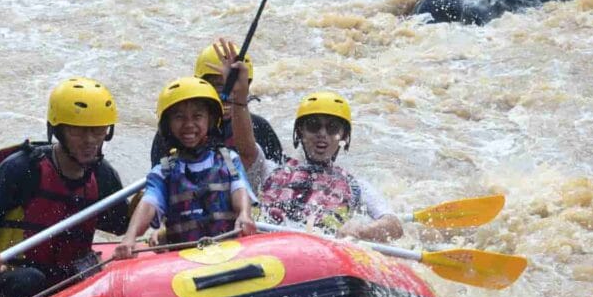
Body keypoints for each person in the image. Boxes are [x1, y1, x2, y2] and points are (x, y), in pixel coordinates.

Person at [0, 78, 130, 297]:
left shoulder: (103, 175)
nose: (90, 140)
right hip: (9, 276)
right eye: (78, 131)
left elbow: (123, 227)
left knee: (105, 280)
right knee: (31, 279)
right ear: (59, 131)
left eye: (98, 130)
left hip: (63, 275)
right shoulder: (22, 168)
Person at [214, 41, 403, 242]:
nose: (322, 134)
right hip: (265, 246)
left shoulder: (357, 186)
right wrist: (240, 97)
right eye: (313, 126)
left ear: (344, 137)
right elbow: (246, 149)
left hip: (320, 252)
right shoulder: (268, 170)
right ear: (300, 132)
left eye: (332, 128)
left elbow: (393, 225)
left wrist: (362, 231)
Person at [114, 77, 256, 260]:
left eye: (197, 116)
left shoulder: (228, 159)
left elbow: (239, 188)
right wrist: (130, 236)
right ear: (168, 125)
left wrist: (244, 214)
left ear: (210, 120)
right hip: (183, 261)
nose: (189, 124)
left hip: (230, 251)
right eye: (179, 117)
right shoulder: (164, 170)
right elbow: (150, 202)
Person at [149, 43, 283, 167]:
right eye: (218, 86)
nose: (228, 94)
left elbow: (272, 172)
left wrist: (240, 100)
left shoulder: (259, 127)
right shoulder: (172, 133)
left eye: (234, 85)